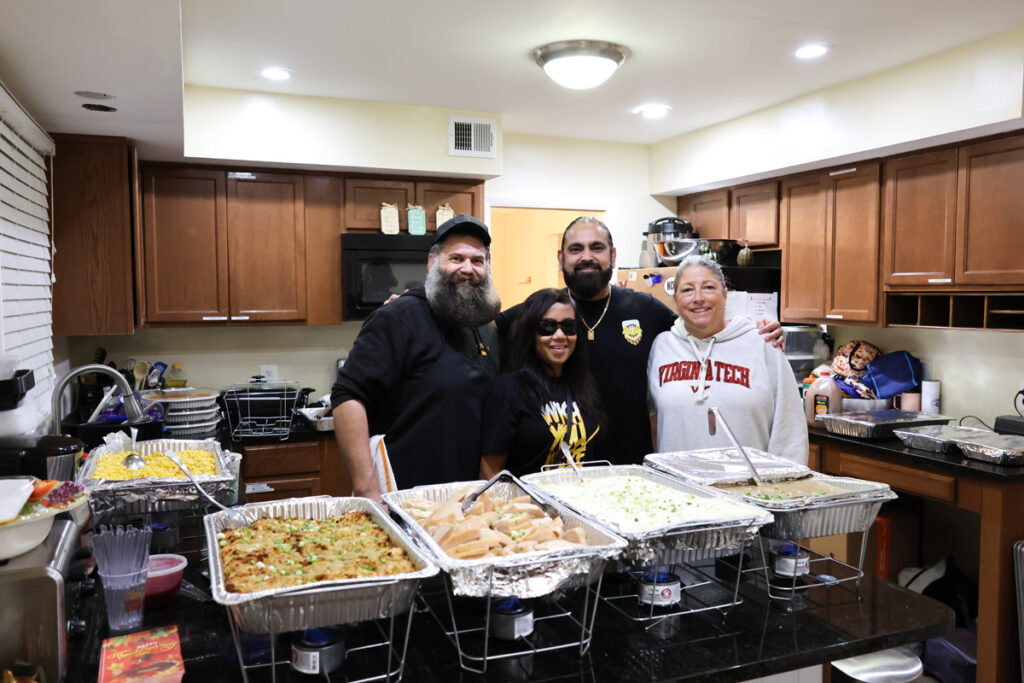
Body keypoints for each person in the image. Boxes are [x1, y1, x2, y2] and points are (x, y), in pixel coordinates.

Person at [496, 216, 783, 465]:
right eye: (576, 249)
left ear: (613, 255)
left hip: (634, 471)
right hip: (562, 470)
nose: (587, 256)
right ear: (561, 258)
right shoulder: (539, 314)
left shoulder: (646, 310)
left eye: (597, 248)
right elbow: (486, 329)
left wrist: (752, 328)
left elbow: (701, 326)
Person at [330, 214, 502, 502]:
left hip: (473, 499)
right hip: (407, 498)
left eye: (477, 260)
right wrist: (366, 489)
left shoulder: (486, 325)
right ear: (432, 262)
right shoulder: (399, 317)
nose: (467, 268)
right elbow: (347, 396)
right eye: (456, 258)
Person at [647, 255, 807, 464]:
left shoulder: (763, 343)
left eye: (708, 287)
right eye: (687, 290)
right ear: (676, 300)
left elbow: (789, 427)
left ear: (724, 294)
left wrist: (787, 479)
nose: (698, 298)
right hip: (677, 482)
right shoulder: (661, 347)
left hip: (748, 482)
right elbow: (652, 420)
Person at [480, 288, 604, 478]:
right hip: (529, 497)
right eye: (548, 327)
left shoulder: (583, 385)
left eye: (568, 326)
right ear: (529, 333)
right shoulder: (508, 389)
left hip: (579, 494)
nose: (560, 335)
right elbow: (490, 473)